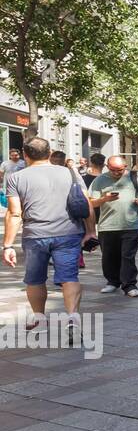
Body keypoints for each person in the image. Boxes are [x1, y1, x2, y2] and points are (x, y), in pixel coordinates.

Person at [3, 137, 96, 340]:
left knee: (35, 279)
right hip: (69, 232)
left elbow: (15, 213)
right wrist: (90, 231)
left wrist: (7, 245)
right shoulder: (68, 172)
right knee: (69, 277)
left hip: (35, 235)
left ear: (25, 155)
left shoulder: (16, 178)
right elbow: (85, 202)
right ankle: (72, 317)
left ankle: (39, 318)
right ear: (50, 152)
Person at [88, 154, 138, 298]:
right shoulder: (99, 180)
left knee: (127, 256)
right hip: (107, 225)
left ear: (125, 167)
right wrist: (105, 199)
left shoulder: (136, 177)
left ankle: (129, 285)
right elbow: (91, 202)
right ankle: (112, 282)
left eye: (119, 170)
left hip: (132, 224)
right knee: (109, 256)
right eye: (112, 170)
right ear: (107, 167)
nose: (116, 173)